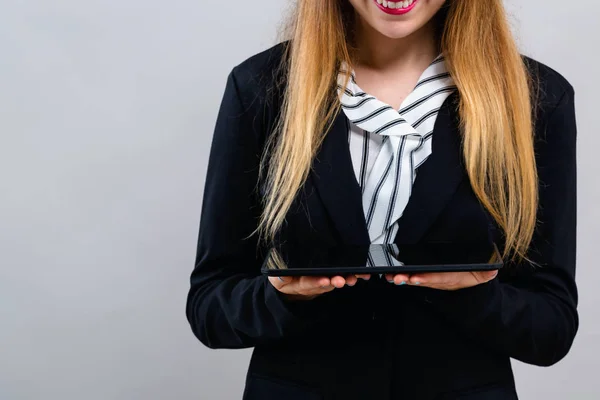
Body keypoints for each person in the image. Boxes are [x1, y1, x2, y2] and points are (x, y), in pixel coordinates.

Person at [186, 0, 578, 399]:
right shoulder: (262, 87)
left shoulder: (534, 98)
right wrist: (283, 298)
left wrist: (476, 296)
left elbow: (552, 328)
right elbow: (209, 307)